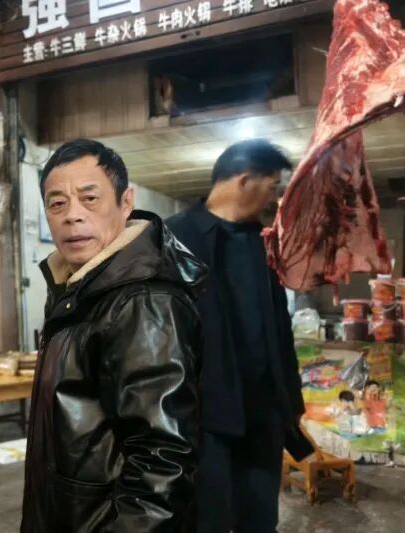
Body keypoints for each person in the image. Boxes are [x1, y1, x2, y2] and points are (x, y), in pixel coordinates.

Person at [21, 139, 206, 532]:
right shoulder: (80, 289)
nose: (72, 216)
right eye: (57, 203)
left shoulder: (142, 301)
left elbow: (162, 464)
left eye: (89, 199)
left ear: (126, 203)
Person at [166, 139, 312, 533]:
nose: (274, 197)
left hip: (262, 415)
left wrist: (291, 400)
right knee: (206, 522)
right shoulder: (172, 238)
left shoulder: (264, 242)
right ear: (244, 181)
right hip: (204, 417)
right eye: (272, 186)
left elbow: (279, 326)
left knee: (260, 521)